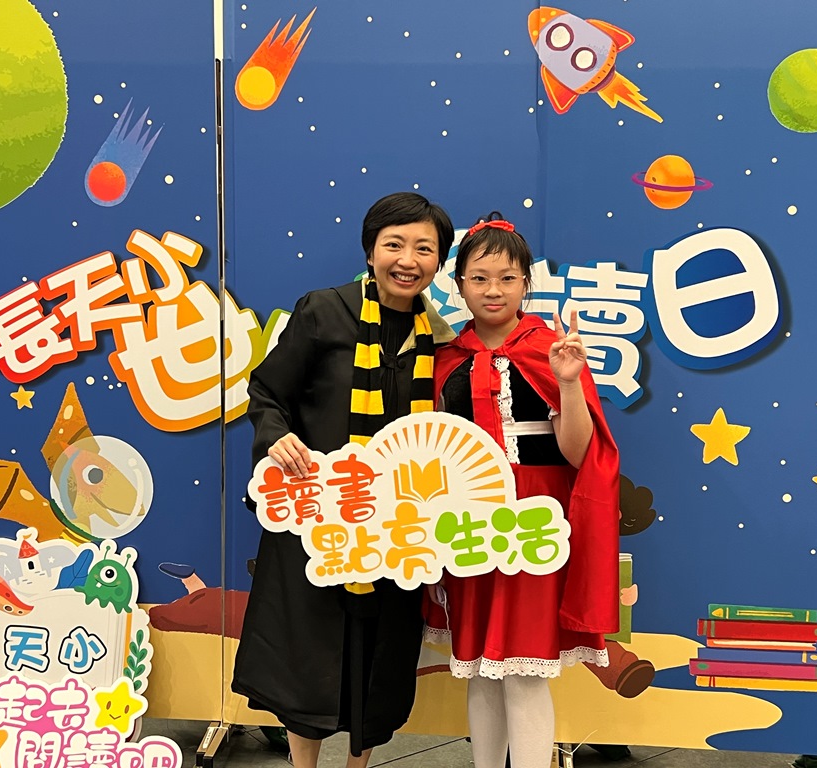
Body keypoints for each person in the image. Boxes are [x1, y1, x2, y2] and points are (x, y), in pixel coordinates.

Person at [232, 192, 456, 768]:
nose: (408, 260)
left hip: (395, 526)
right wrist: (275, 435)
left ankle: (360, 765)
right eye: (394, 244)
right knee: (307, 657)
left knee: (381, 658)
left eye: (424, 248)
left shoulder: (440, 338)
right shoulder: (324, 311)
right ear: (370, 250)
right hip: (317, 514)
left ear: (439, 261)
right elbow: (267, 391)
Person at [425, 213, 620, 768]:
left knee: (525, 669)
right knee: (481, 667)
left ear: (526, 283)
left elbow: (580, 454)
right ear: (459, 284)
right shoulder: (444, 358)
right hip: (468, 519)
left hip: (536, 518)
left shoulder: (551, 350)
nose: (493, 290)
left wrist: (568, 383)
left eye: (507, 278)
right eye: (479, 278)